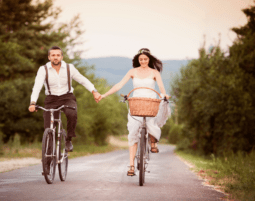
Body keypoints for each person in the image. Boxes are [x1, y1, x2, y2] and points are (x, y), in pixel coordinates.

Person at [98, 48, 169, 176]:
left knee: (151, 123)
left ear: (149, 59)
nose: (143, 61)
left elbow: (161, 88)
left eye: (145, 59)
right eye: (140, 59)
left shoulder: (154, 72)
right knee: (133, 134)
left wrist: (164, 95)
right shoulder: (132, 71)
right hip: (136, 102)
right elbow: (119, 85)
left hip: (150, 102)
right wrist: (104, 95)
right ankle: (131, 166)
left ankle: (153, 141)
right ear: (137, 60)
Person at [29, 46, 101, 152]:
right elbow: (37, 86)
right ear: (49, 57)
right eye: (53, 55)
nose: (56, 57)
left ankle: (68, 139)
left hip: (67, 97)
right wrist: (33, 102)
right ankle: (47, 162)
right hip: (51, 98)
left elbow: (82, 80)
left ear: (62, 57)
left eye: (58, 55)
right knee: (48, 128)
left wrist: (94, 91)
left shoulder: (69, 68)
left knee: (72, 114)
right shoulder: (43, 69)